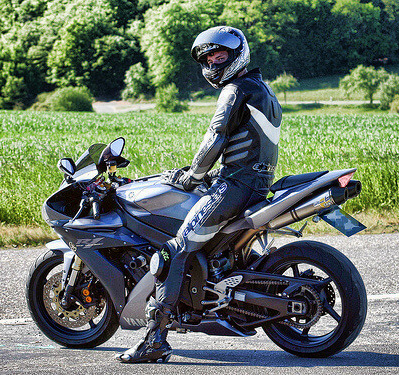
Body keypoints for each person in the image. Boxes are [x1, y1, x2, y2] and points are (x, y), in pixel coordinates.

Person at [115, 25, 282, 363]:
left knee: (173, 251)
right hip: (254, 182)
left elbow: (216, 139)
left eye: (219, 55)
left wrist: (194, 176)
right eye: (207, 58)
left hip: (235, 187)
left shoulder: (235, 90)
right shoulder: (261, 88)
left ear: (237, 55)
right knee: (198, 246)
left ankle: (154, 341)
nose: (212, 63)